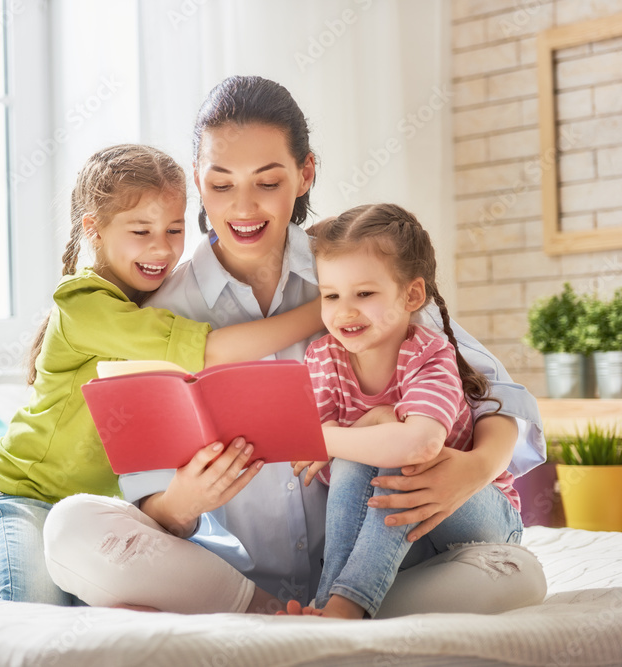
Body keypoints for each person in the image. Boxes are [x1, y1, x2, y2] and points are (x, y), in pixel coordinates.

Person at [43, 76, 546, 615]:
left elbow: (495, 394)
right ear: (197, 181)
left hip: (386, 565)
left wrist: (472, 472)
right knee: (70, 528)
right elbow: (151, 501)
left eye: (267, 182)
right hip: (237, 580)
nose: (243, 207)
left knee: (515, 574)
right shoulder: (161, 315)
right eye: (221, 184)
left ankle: (345, 607)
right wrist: (184, 504)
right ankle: (271, 613)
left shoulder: (357, 271)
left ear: (305, 174)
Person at [0, 143, 324, 604]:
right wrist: (322, 309)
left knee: (122, 594)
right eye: (141, 231)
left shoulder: (153, 300)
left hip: (104, 510)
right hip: (25, 493)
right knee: (33, 610)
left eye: (175, 229)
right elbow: (211, 351)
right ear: (93, 230)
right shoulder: (85, 303)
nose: (162, 248)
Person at [288, 203, 522, 620]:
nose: (344, 311)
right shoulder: (323, 358)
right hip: (406, 536)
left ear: (411, 295)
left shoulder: (429, 354)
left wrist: (329, 438)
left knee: (397, 462)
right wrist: (370, 424)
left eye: (365, 294)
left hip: (477, 518)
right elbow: (318, 468)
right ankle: (329, 606)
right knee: (361, 457)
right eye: (331, 296)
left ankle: (341, 605)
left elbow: (420, 443)